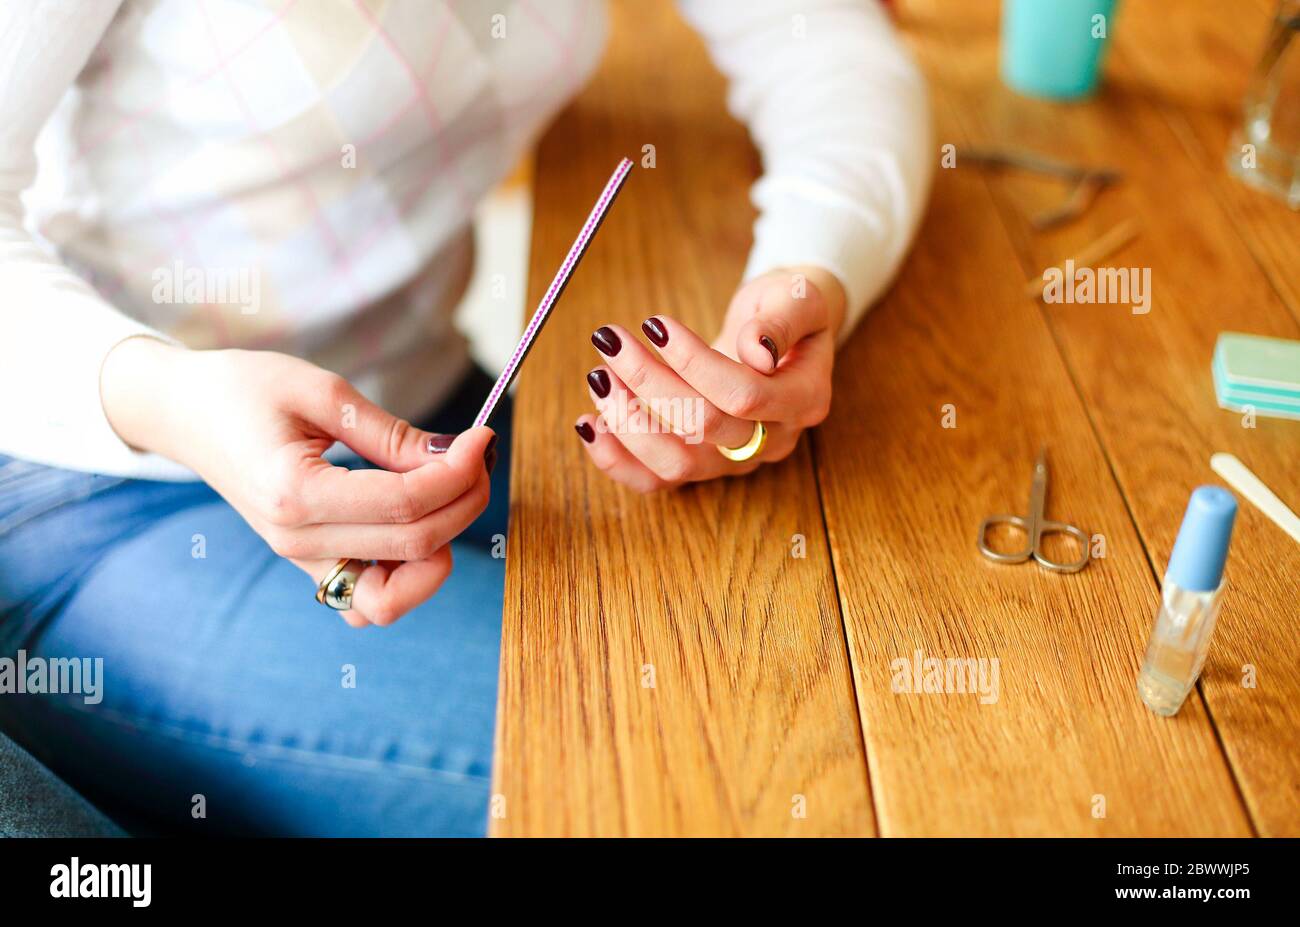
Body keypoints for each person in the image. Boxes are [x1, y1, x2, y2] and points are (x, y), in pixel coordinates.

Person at [0, 0, 931, 835]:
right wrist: (170, 397)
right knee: (688, 770)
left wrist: (807, 278)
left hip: (437, 426)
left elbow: (826, 50)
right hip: (97, 480)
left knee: (817, 687)